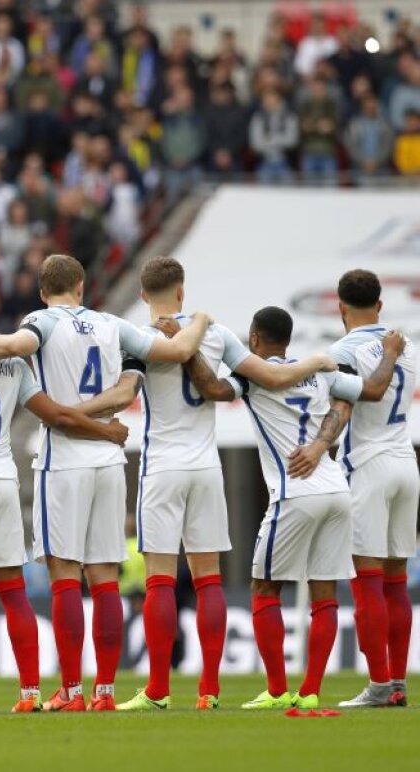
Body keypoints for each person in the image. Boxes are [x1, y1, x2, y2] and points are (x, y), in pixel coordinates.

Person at [0, 254, 210, 711]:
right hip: (109, 460)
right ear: (81, 285)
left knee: (64, 577)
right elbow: (178, 352)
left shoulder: (40, 322)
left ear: (43, 292)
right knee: (105, 580)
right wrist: (200, 320)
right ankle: (104, 693)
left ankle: (72, 691)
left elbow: (10, 346)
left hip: (62, 459)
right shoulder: (112, 323)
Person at [87, 256, 335, 712]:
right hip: (206, 466)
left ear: (143, 296)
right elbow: (273, 375)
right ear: (182, 291)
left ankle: (158, 690)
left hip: (161, 464)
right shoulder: (217, 335)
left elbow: (125, 392)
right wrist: (320, 360)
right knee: (209, 582)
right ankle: (209, 689)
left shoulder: (140, 339)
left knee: (160, 581)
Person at [0, 283, 133, 714]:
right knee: (14, 592)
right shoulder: (14, 365)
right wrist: (106, 429)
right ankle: (30, 693)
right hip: (3, 477)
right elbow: (55, 414)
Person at [184, 308, 402, 713]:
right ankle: (312, 690)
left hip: (293, 492)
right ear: (288, 338)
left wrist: (189, 349)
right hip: (336, 490)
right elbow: (372, 390)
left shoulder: (253, 376)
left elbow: (212, 388)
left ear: (253, 339)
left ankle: (279, 689)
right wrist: (389, 353)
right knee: (324, 594)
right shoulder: (318, 371)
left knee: (265, 588)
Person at [322, 270, 417, 708]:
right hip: (406, 464)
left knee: (368, 582)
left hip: (368, 466)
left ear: (340, 308)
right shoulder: (409, 347)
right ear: (380, 305)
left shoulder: (342, 350)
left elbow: (343, 408)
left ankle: (379, 685)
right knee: (397, 582)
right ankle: (397, 682)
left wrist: (320, 445)